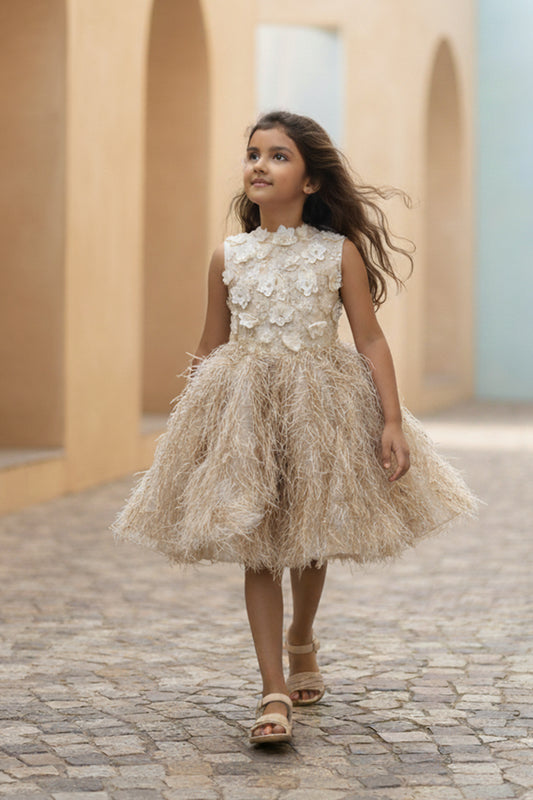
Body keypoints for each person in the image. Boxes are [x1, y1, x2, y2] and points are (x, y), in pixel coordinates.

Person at [111, 111, 478, 746]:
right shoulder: (229, 254)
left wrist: (391, 418)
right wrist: (190, 429)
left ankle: (302, 635)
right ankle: (272, 689)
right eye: (253, 153)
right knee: (259, 544)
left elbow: (369, 337)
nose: (259, 164)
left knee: (308, 538)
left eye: (278, 156)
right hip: (244, 409)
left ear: (310, 181)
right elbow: (210, 342)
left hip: (321, 406)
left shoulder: (338, 253)